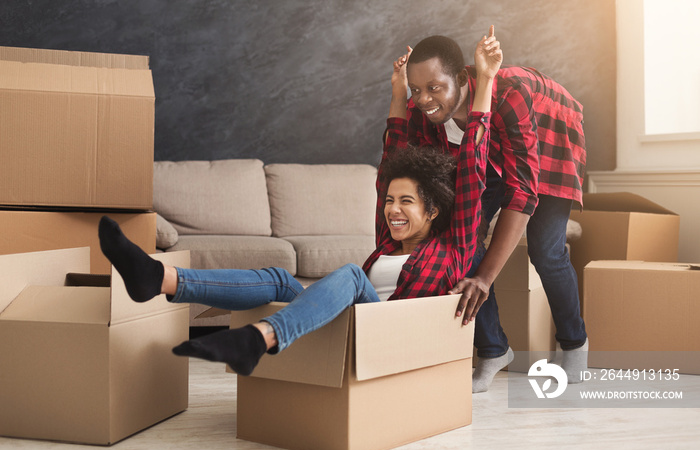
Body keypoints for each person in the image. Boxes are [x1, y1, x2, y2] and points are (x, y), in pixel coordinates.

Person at [97, 30, 503, 376]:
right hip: (351, 324)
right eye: (390, 201)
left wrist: (484, 79)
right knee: (280, 280)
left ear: (432, 211)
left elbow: (473, 164)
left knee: (350, 276)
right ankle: (159, 278)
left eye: (407, 203)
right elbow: (392, 157)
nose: (393, 209)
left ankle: (261, 338)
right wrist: (399, 93)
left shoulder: (455, 246)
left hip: (385, 337)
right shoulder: (387, 241)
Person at [386, 26, 588, 392]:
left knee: (545, 250)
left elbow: (522, 189)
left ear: (462, 79)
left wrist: (484, 278)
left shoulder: (508, 95)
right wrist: (401, 94)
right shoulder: (425, 109)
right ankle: (494, 350)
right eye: (416, 90)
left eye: (434, 88)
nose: (424, 99)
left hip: (551, 133)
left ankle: (575, 343)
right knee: (461, 234)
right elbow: (404, 164)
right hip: (492, 150)